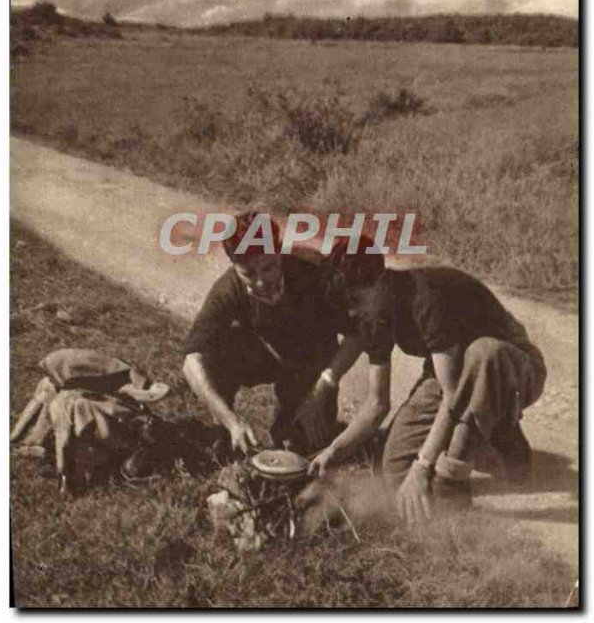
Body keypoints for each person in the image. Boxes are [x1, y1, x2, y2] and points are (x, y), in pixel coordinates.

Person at [309, 239, 547, 525]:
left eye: (357, 300)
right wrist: (334, 450)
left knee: (483, 353)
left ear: (381, 281)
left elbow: (451, 396)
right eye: (347, 305)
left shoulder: (426, 297)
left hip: (512, 368)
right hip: (456, 375)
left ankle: (464, 466)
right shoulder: (372, 316)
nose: (352, 313)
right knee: (395, 470)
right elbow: (376, 403)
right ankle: (491, 426)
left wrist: (424, 467)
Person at [183, 212, 363, 456]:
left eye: (268, 268)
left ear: (279, 252)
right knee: (211, 357)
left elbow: (358, 332)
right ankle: (228, 437)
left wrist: (325, 385)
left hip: (311, 364)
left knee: (302, 447)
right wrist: (231, 421)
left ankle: (292, 426)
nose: (260, 283)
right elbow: (191, 361)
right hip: (264, 354)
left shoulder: (316, 271)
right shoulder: (228, 289)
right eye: (248, 273)